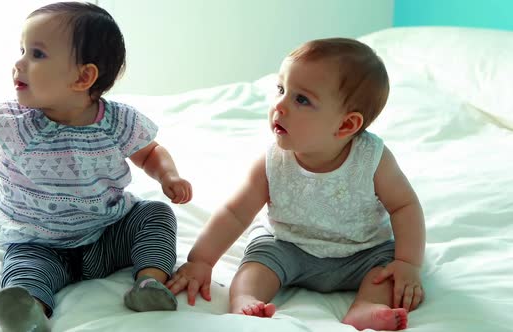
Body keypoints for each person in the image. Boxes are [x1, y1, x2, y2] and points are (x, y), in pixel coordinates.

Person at [0, 2, 192, 331]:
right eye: (22, 50)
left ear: (83, 77)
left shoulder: (118, 122)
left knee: (155, 214)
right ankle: (29, 311)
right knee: (24, 270)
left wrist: (168, 175)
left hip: (107, 233)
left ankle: (149, 283)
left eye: (36, 54)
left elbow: (150, 152)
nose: (19, 63)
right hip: (37, 242)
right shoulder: (15, 122)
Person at [166, 38, 425, 331]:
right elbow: (236, 212)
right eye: (281, 89)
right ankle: (246, 300)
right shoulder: (274, 161)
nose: (279, 104)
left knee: (385, 270)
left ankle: (365, 306)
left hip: (361, 251)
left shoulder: (372, 160)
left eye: (301, 99)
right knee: (258, 262)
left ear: (345, 126)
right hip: (287, 245)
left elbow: (405, 207)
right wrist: (202, 260)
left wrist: (407, 262)